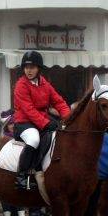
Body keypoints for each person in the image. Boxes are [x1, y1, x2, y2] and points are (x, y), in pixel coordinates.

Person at [11, 51, 71, 190]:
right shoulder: (21, 85)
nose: (29, 70)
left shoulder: (45, 84)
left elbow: (59, 102)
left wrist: (69, 118)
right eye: (26, 67)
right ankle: (21, 176)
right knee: (34, 140)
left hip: (41, 121)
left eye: (32, 67)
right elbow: (29, 110)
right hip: (24, 123)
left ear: (38, 68)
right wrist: (46, 123)